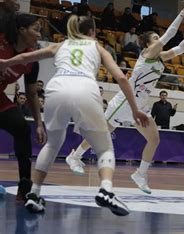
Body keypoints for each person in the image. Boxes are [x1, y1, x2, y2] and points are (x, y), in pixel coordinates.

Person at [0, 15, 150, 215]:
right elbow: (122, 77)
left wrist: (5, 62)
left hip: (57, 87)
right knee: (104, 147)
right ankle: (106, 189)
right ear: (92, 32)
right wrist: (134, 109)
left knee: (52, 144)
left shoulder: (61, 45)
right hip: (85, 88)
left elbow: (26, 57)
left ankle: (34, 194)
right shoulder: (96, 46)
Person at [65, 0, 184, 194]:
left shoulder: (160, 57)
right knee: (104, 132)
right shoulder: (147, 53)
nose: (158, 39)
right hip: (126, 101)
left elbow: (181, 49)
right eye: (155, 38)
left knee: (154, 138)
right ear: (148, 43)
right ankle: (75, 156)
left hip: (141, 105)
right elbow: (169, 35)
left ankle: (140, 174)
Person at [0, 12, 47, 200]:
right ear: (21, 30)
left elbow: (31, 94)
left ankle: (24, 187)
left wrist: (38, 123)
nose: (39, 35)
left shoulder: (30, 61)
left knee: (21, 128)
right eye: (36, 30)